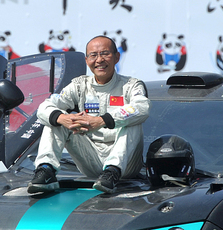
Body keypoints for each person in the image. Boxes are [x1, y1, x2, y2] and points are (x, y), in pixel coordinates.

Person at [28, 35, 150, 194]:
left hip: (125, 168)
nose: (99, 60)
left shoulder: (132, 85)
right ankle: (46, 170)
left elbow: (143, 107)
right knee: (57, 118)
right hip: (90, 162)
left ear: (117, 57)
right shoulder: (79, 85)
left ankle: (112, 171)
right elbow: (43, 108)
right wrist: (63, 118)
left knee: (132, 119)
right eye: (93, 55)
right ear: (87, 60)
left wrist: (101, 121)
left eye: (105, 53)